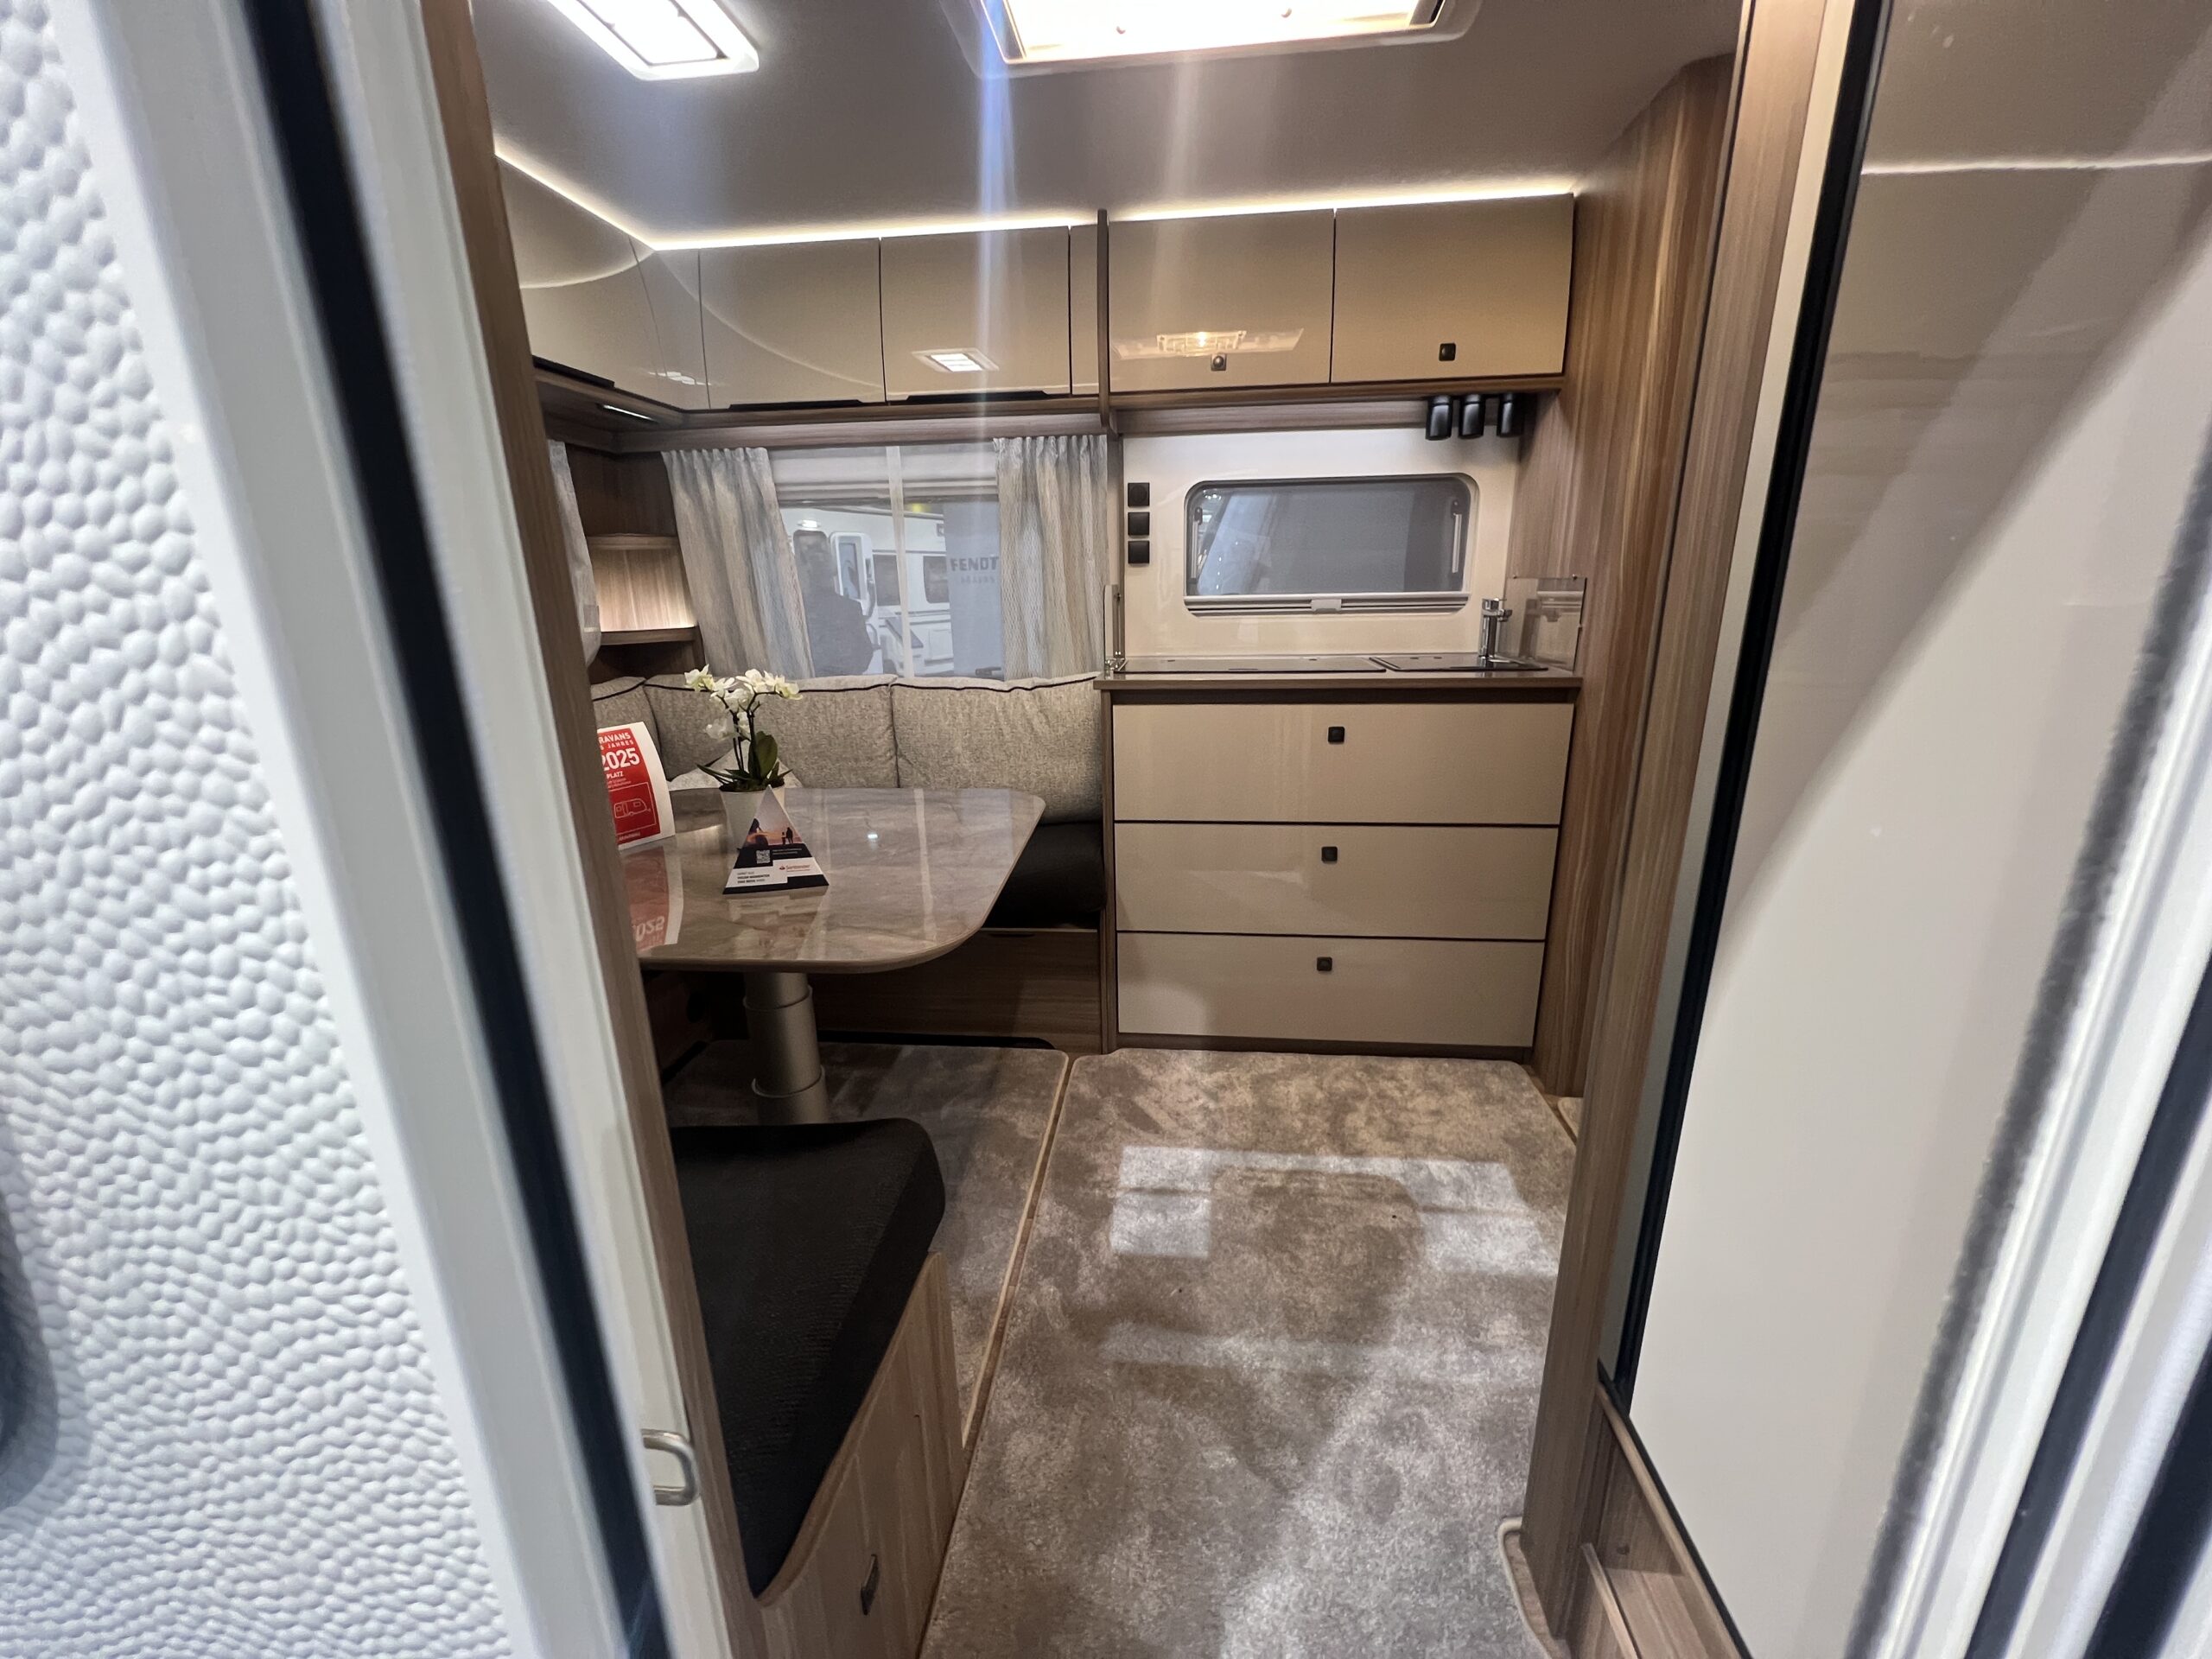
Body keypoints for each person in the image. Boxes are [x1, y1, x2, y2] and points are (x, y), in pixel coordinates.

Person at [794, 530, 874, 674]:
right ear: (832, 574)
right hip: (849, 681)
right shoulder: (852, 608)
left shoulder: (796, 612)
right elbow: (865, 654)